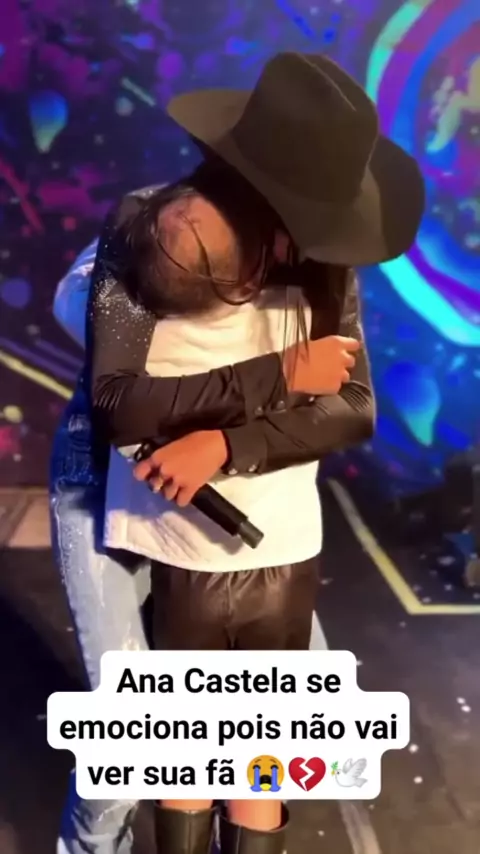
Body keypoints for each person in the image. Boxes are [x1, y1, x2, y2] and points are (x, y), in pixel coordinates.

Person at [50, 51, 423, 854]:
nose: (318, 242)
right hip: (112, 479)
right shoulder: (154, 231)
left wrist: (226, 443)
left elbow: (351, 406)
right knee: (132, 732)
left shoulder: (322, 256)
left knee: (262, 746)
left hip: (247, 523)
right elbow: (116, 404)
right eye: (308, 220)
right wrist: (276, 376)